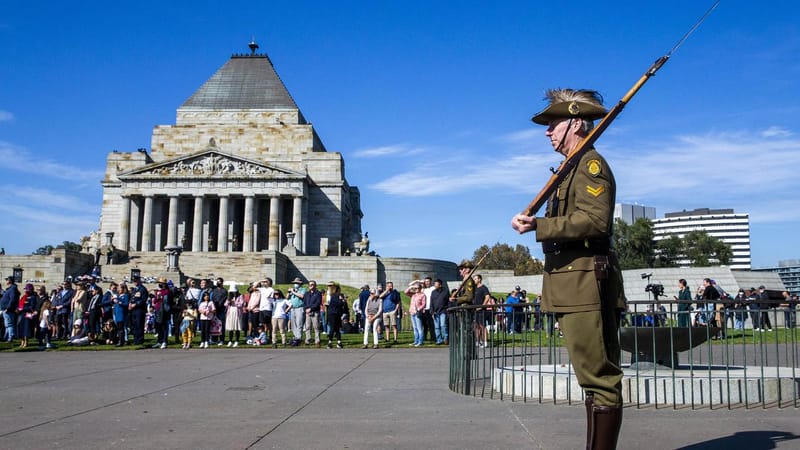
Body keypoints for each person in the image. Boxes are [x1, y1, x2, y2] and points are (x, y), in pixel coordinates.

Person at [511, 88, 626, 449]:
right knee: (590, 381)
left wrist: (539, 227)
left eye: (553, 123)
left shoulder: (591, 164)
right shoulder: (570, 168)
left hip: (585, 283)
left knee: (600, 380)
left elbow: (595, 220)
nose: (547, 131)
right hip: (570, 284)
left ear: (576, 122)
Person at [325, 281, 347, 349]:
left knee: (337, 328)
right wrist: (342, 300)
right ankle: (329, 342)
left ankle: (339, 341)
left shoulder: (339, 296)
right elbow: (339, 303)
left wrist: (343, 300)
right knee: (332, 328)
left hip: (337, 314)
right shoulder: (334, 296)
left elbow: (343, 306)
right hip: (332, 314)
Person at [406, 281, 426, 347]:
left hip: (418, 313)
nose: (416, 290)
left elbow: (424, 304)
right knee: (415, 328)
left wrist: (419, 309)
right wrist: (411, 287)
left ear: (420, 288)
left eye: (417, 288)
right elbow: (406, 292)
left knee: (419, 328)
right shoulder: (413, 295)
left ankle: (420, 341)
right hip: (412, 312)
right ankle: (416, 341)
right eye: (415, 289)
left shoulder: (423, 295)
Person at [429, 279, 450, 345]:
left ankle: (445, 338)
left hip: (443, 311)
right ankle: (439, 340)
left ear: (440, 285)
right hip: (435, 312)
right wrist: (432, 312)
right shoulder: (433, 292)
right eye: (434, 284)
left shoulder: (445, 291)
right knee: (437, 327)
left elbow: (448, 301)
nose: (435, 285)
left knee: (443, 325)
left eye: (436, 284)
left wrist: (448, 309)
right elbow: (431, 302)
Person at [287, 277, 307, 345]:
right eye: (295, 283)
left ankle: (299, 338)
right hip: (293, 308)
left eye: (297, 283)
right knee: (293, 324)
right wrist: (289, 292)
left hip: (299, 308)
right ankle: (296, 337)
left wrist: (293, 292)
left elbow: (301, 296)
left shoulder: (303, 289)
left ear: (300, 284)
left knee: (299, 323)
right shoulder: (293, 290)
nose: (295, 284)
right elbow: (287, 298)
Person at [129, 276, 148, 345]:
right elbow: (132, 298)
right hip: (134, 310)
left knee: (139, 325)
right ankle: (135, 339)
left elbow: (143, 299)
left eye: (136, 281)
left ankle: (139, 340)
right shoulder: (135, 289)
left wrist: (136, 304)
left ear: (139, 281)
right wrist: (130, 304)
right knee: (134, 325)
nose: (135, 282)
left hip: (140, 310)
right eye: (134, 281)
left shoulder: (142, 289)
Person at [1, 276, 20, 342]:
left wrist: (8, 308)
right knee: (7, 325)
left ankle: (11, 336)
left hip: (8, 310)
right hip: (5, 309)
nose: (6, 281)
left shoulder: (12, 289)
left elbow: (12, 299)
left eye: (7, 280)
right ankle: (6, 337)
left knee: (9, 324)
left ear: (10, 281)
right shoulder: (9, 289)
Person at [304, 280, 323, 347]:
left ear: (315, 286)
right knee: (308, 327)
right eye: (310, 285)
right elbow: (305, 302)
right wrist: (306, 309)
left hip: (315, 312)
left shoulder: (318, 293)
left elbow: (318, 303)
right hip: (307, 312)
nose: (311, 286)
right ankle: (307, 340)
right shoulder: (306, 293)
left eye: (312, 284)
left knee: (316, 327)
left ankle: (317, 341)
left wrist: (310, 309)